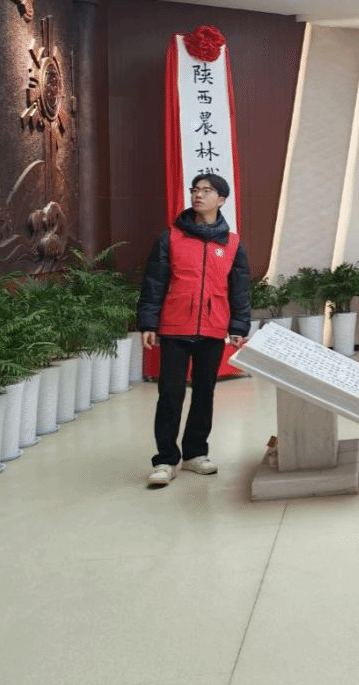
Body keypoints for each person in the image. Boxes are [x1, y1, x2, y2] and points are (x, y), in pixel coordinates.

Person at [137, 173, 251, 488]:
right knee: (170, 394)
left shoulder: (232, 244)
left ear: (221, 200)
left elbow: (239, 290)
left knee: (204, 393)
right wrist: (148, 322)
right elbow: (154, 283)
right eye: (195, 190)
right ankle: (165, 460)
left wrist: (238, 326)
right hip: (175, 326)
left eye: (206, 191)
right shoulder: (170, 238)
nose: (198, 195)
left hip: (213, 328)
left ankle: (195, 453)